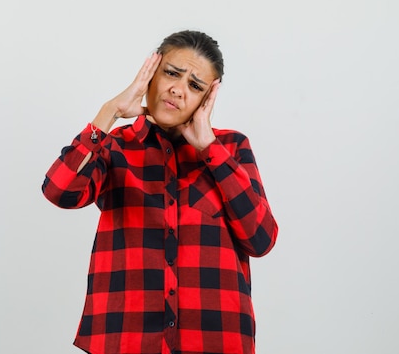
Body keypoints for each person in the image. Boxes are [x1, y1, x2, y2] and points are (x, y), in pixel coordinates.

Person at [41, 30, 278, 354]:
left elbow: (261, 240)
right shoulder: (114, 147)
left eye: (195, 86)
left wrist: (210, 149)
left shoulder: (232, 148)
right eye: (171, 73)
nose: (178, 91)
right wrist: (108, 112)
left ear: (207, 98)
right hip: (126, 340)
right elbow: (59, 191)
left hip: (215, 342)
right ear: (151, 73)